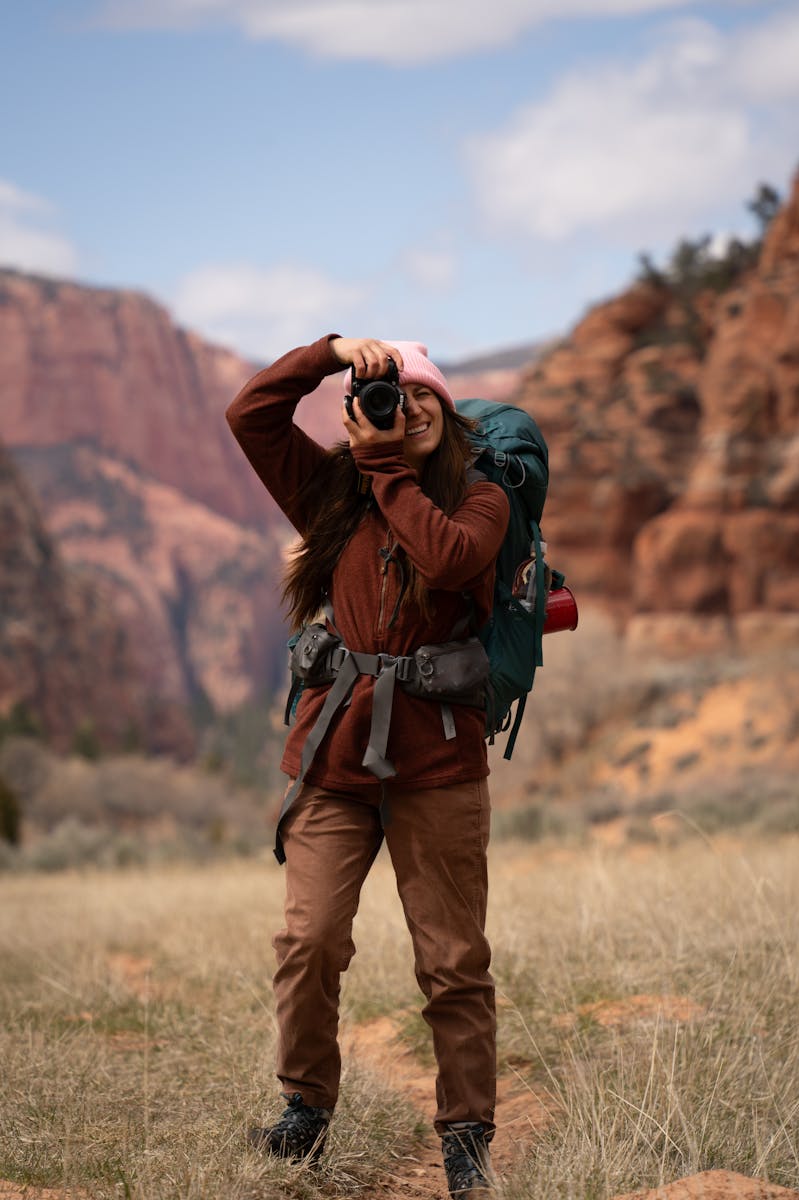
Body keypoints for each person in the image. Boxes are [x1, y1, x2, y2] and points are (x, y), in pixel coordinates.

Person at [225, 334, 510, 1198]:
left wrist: (384, 467)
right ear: (360, 409)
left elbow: (449, 559)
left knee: (452, 959)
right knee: (307, 940)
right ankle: (304, 1109)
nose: (406, 407)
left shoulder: (484, 499)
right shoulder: (331, 495)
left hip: (439, 763)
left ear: (447, 411)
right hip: (334, 756)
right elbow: (250, 414)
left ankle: (466, 1137)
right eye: (387, 395)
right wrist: (329, 350)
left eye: (422, 395)